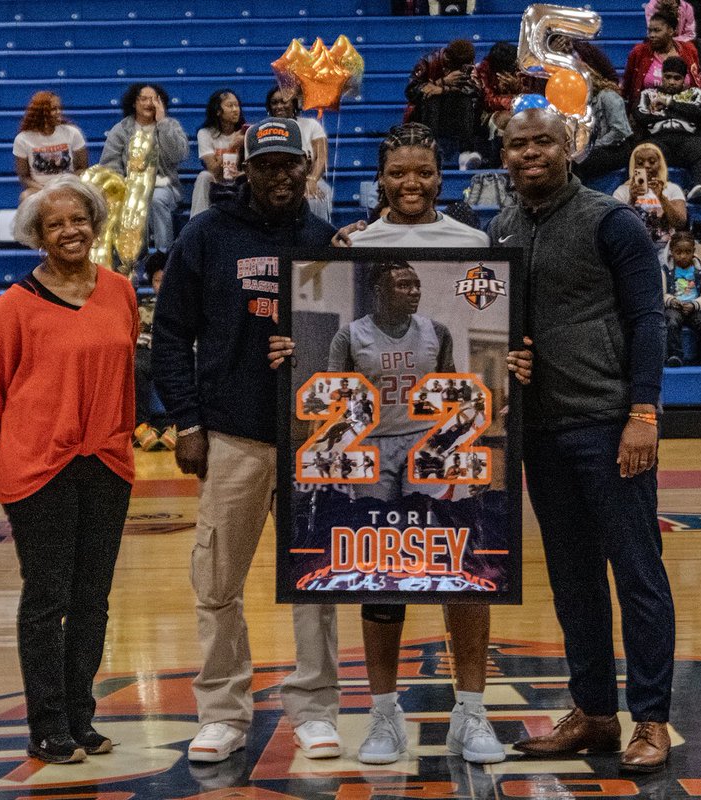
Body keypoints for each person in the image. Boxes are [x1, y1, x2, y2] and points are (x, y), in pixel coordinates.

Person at [282, 123, 503, 766]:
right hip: (373, 452)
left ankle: (471, 713)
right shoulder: (354, 245)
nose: (412, 184)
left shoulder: (471, 243)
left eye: (425, 172)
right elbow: (328, 393)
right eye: (399, 173)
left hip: (431, 448)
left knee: (458, 570)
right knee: (381, 575)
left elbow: (459, 390)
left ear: (441, 177)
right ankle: (383, 718)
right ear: (380, 178)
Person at [152, 118, 342, 763]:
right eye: (268, 165)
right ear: (244, 169)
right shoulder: (206, 235)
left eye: (292, 163)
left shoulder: (324, 238)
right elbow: (172, 333)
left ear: (305, 167)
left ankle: (316, 710)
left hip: (312, 438)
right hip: (231, 436)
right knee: (215, 582)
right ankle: (223, 713)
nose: (282, 174)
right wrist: (187, 421)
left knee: (314, 581)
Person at [493, 108, 674, 772]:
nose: (530, 152)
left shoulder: (610, 221)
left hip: (608, 425)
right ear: (504, 156)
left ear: (570, 146)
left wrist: (643, 415)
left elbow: (649, 320)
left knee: (638, 577)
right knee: (573, 581)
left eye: (542, 141)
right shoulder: (504, 227)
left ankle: (652, 720)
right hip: (541, 431)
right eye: (518, 145)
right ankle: (595, 713)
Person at [0, 175, 137, 763]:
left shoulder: (119, 290)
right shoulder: (14, 306)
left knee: (93, 600)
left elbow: (125, 377)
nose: (70, 230)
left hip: (106, 464)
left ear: (95, 223)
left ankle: (79, 716)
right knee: (48, 598)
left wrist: (118, 440)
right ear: (37, 236)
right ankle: (46, 724)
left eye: (78, 219)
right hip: (37, 468)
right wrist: (5, 469)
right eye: (55, 224)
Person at [99, 82, 189, 253]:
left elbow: (178, 156)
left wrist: (162, 123)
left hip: (164, 186)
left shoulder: (170, 126)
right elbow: (109, 165)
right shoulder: (121, 130)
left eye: (154, 99)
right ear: (134, 102)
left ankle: (163, 256)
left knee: (155, 199)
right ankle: (130, 258)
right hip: (129, 186)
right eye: (144, 99)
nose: (149, 103)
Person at [635, 56, 701, 203]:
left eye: (677, 78)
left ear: (684, 79)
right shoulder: (647, 94)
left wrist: (668, 103)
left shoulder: (695, 93)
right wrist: (680, 112)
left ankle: (699, 188)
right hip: (658, 139)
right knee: (645, 151)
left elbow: (700, 112)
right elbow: (640, 116)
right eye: (667, 77)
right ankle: (642, 191)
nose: (672, 82)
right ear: (662, 76)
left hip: (687, 140)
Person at [404, 39, 483, 169]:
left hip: (454, 115)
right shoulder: (428, 61)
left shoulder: (468, 66)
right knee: (432, 97)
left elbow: (476, 91)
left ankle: (466, 153)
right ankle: (430, 149)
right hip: (425, 115)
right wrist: (441, 82)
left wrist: (444, 89)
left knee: (465, 99)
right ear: (448, 59)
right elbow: (410, 92)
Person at [266, 85, 333, 222]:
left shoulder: (311, 125)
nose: (279, 106)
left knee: (318, 195)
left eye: (284, 101)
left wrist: (312, 179)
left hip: (309, 179)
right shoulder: (265, 129)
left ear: (294, 103)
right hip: (277, 181)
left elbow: (321, 157)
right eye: (274, 102)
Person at [621, 9, 701, 109]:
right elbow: (626, 85)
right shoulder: (638, 52)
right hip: (648, 110)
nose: (652, 35)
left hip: (684, 108)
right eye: (650, 30)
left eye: (657, 30)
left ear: (671, 31)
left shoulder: (689, 50)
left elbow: (698, 79)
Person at [134, 250, 176, 450]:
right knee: (135, 366)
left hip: (176, 351)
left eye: (167, 279)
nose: (163, 285)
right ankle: (141, 425)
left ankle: (178, 423)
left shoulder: (184, 306)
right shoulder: (143, 307)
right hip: (147, 352)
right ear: (152, 283)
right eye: (158, 281)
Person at [13, 91, 88, 203]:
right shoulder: (22, 139)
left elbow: (82, 168)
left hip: (69, 186)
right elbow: (24, 177)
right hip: (39, 188)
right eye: (53, 109)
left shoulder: (73, 133)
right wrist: (45, 189)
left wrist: (66, 185)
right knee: (25, 197)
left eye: (59, 108)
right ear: (40, 113)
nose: (59, 112)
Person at [614, 143, 689, 252]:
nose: (647, 165)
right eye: (640, 163)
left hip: (666, 249)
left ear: (660, 164)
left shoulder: (673, 189)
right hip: (634, 248)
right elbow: (617, 225)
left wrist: (661, 197)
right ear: (633, 165)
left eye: (652, 161)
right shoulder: (622, 191)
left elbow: (680, 222)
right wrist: (632, 200)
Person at [662, 230, 701, 365]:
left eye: (687, 252)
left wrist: (695, 304)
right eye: (678, 252)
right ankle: (675, 355)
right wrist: (671, 300)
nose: (683, 256)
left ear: (693, 251)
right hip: (675, 307)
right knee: (672, 322)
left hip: (695, 308)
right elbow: (660, 293)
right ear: (671, 252)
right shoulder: (665, 270)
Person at [191, 89, 246, 217]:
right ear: (217, 111)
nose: (235, 110)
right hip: (217, 181)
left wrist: (242, 174)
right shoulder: (205, 133)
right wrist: (232, 146)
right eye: (229, 105)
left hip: (240, 181)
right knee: (204, 176)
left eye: (237, 105)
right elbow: (213, 170)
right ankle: (196, 225)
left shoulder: (246, 133)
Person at [574, 74, 635, 184]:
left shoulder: (608, 96)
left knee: (579, 163)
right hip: (597, 147)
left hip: (617, 148)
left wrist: (591, 146)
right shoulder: (581, 103)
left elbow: (619, 132)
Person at [473, 41, 523, 166]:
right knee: (506, 119)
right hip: (485, 114)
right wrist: (514, 98)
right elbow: (488, 102)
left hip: (518, 108)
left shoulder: (521, 67)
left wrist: (518, 88)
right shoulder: (481, 71)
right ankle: (497, 161)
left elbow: (532, 95)